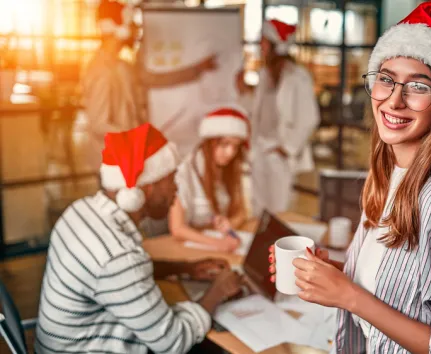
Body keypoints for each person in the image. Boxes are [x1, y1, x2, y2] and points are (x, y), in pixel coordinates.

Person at [269, 2, 431, 353]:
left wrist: (349, 297)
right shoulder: (387, 174)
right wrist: (332, 275)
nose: (394, 101)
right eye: (386, 79)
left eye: (418, 86)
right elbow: (399, 288)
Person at [36, 123, 243, 354]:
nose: (177, 190)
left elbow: (118, 276)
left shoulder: (82, 210)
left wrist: (185, 267)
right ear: (149, 187)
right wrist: (217, 292)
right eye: (172, 179)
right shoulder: (118, 257)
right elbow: (173, 343)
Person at [80, 0, 217, 171]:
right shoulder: (101, 71)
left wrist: (197, 69)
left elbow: (154, 79)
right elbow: (99, 124)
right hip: (112, 163)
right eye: (131, 25)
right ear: (120, 29)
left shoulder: (122, 66)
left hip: (129, 157)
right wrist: (137, 138)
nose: (136, 31)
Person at [249, 19, 321, 217]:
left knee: (280, 210)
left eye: (264, 41)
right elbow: (259, 110)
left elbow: (309, 118)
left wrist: (287, 147)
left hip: (279, 153)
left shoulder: (299, 76)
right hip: (259, 148)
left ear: (275, 46)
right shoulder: (264, 74)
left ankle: (276, 248)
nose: (260, 45)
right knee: (258, 208)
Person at [169, 105, 250, 252]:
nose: (230, 153)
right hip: (189, 249)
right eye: (225, 144)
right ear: (210, 142)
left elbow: (242, 212)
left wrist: (229, 224)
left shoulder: (230, 169)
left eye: (235, 146)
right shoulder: (185, 172)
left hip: (217, 242)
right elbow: (177, 228)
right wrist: (216, 243)